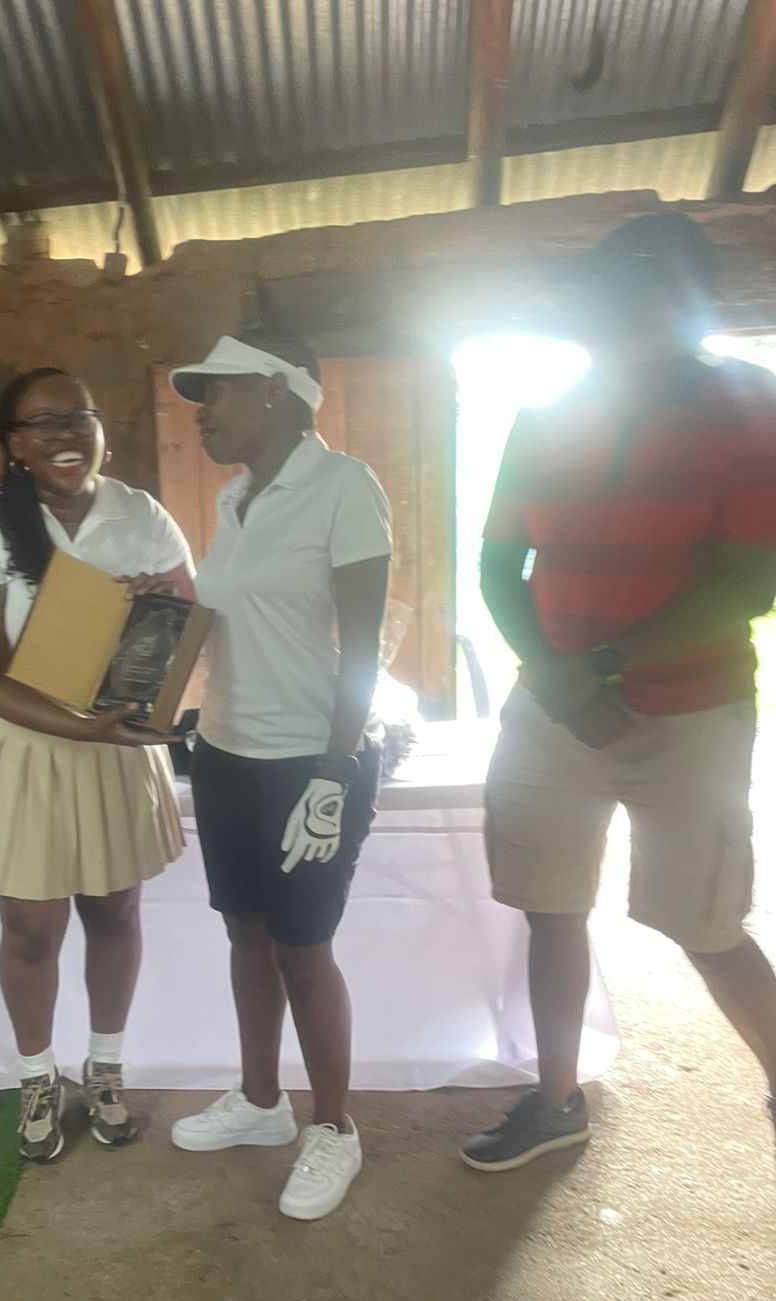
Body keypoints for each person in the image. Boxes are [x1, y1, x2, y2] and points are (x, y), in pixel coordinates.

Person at [465, 212, 776, 1173]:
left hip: (690, 713)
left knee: (705, 923)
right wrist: (562, 682)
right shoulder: (545, 414)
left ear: (686, 305)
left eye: (635, 295)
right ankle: (556, 1101)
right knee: (549, 908)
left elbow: (751, 581)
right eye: (602, 296)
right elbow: (497, 564)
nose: (609, 315)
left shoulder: (753, 407)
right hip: (552, 716)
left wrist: (596, 668)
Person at [0, 368, 193, 1162]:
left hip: (116, 741)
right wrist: (82, 724)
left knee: (115, 913)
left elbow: (184, 633)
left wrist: (155, 610)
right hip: (26, 745)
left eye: (78, 417)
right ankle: (37, 1077)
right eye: (42, 423)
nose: (65, 435)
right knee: (32, 931)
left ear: (99, 428)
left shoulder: (140, 514)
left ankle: (105, 1069)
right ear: (14, 443)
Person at [167, 331, 391, 1221]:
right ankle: (262, 1103)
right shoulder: (235, 499)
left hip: (310, 760)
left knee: (304, 951)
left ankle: (333, 1128)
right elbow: (226, 624)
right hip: (225, 752)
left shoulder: (343, 487)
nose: (201, 413)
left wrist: (336, 770)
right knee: (246, 933)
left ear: (273, 390)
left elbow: (363, 649)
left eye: (214, 393)